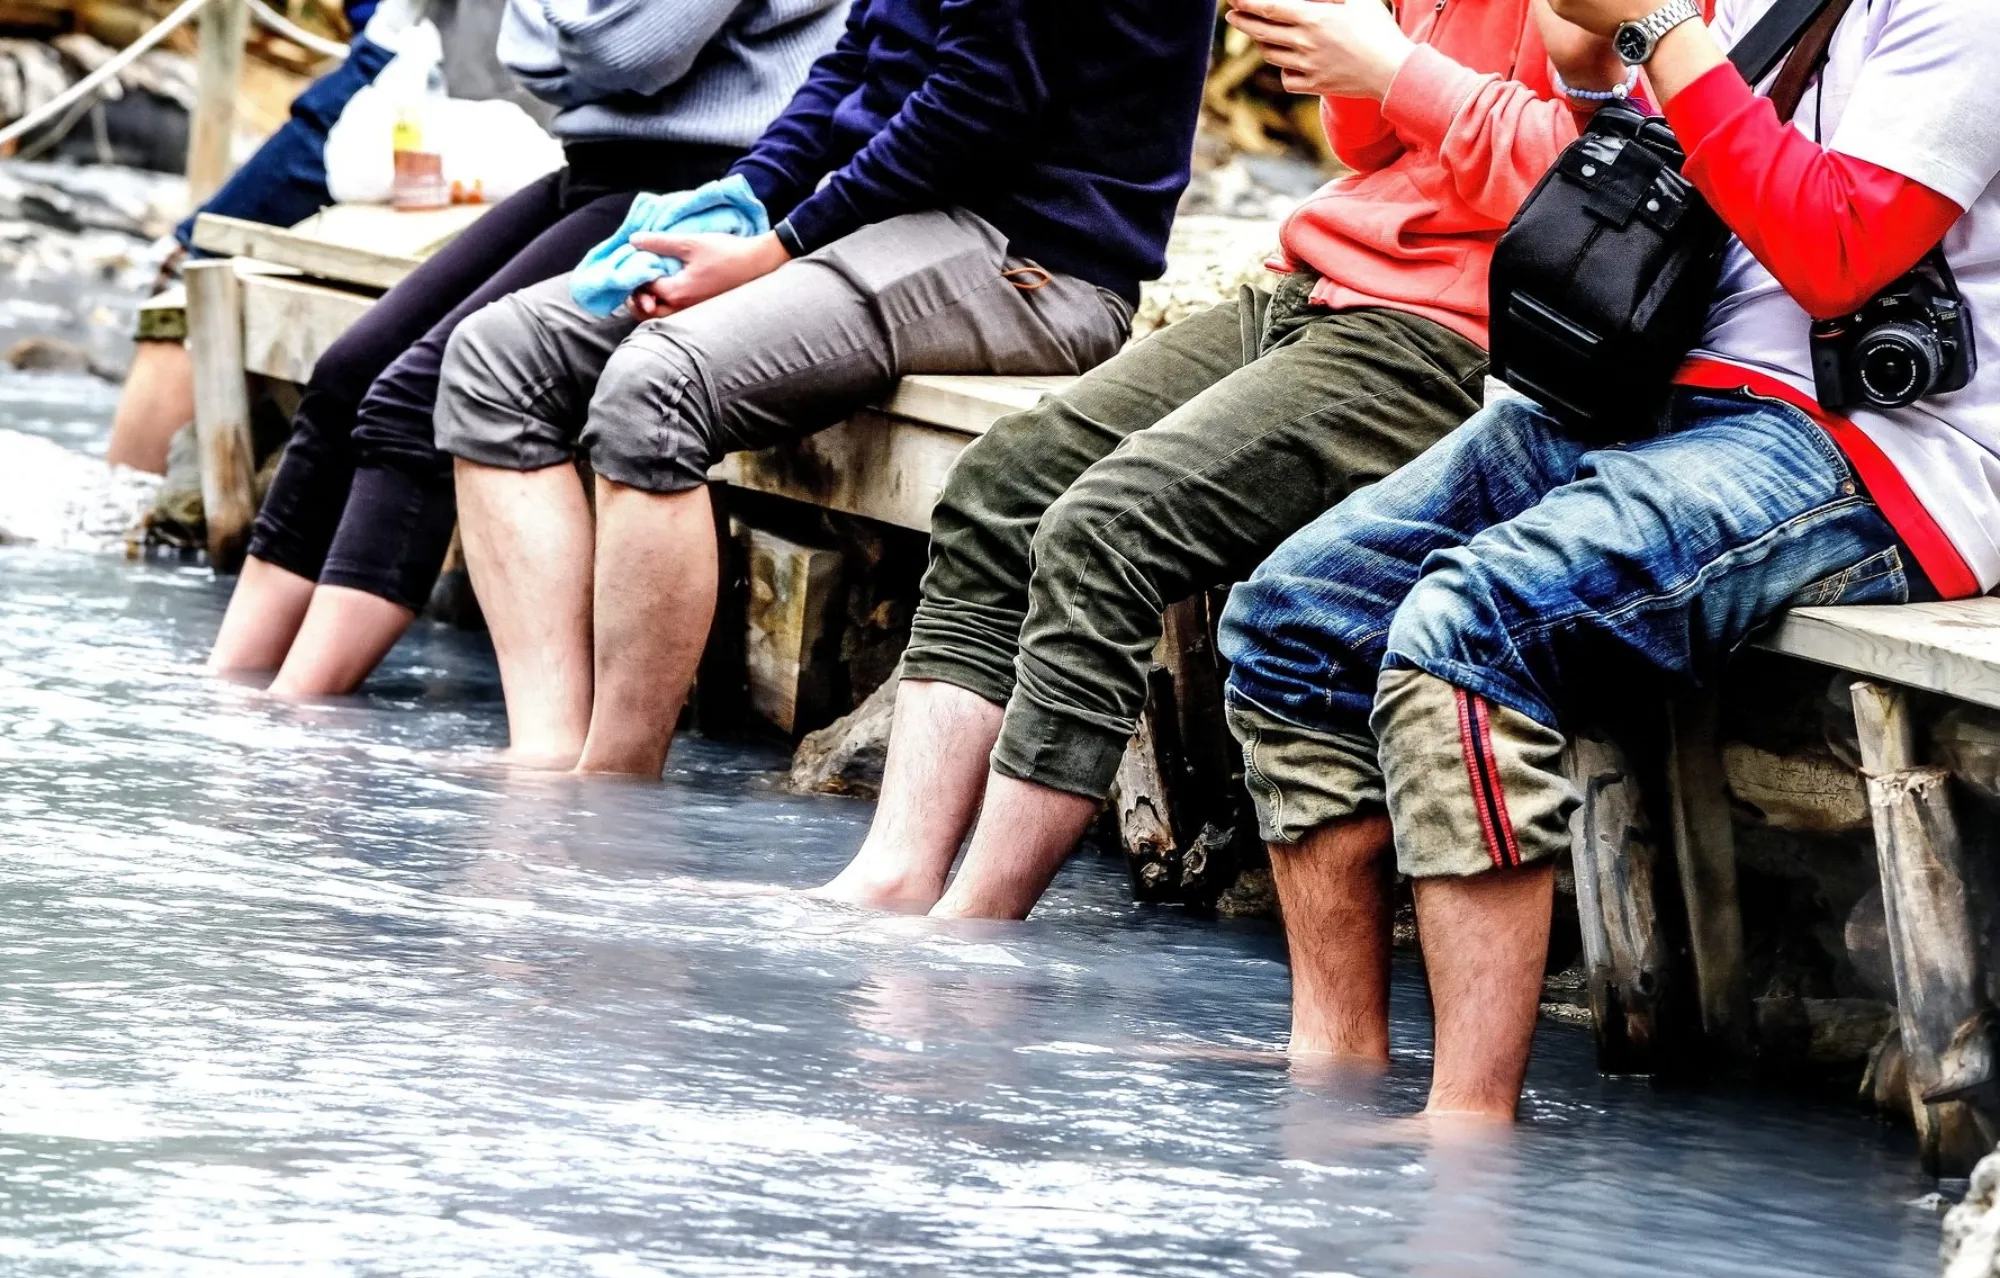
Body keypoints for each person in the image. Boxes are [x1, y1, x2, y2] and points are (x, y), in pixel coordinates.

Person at [1216, 0, 2000, 1119]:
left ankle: (1465, 1125)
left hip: (1871, 448)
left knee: (1465, 627)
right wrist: (1591, 66)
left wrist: (1660, 24)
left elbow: (1837, 254)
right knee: (1293, 617)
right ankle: (1334, 1066)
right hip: (1661, 390)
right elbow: (1671, 168)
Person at [819, 0, 1626, 918]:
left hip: (1466, 333)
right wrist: (1348, 49)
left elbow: (1591, 186)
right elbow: (1369, 148)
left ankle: (976, 931)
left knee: (1106, 531)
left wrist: (1393, 65)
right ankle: (891, 877)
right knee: (1002, 484)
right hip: (1326, 279)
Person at [443, 0, 1218, 775]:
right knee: (502, 355)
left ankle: (610, 784)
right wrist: (750, 197)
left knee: (658, 385)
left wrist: (779, 248)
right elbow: (858, 62)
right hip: (880, 218)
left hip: (1030, 257)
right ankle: (543, 752)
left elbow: (980, 101)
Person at [205, 0, 848, 696]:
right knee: (347, 376)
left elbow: (629, 52)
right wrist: (587, 38)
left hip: (720, 185)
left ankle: (295, 717)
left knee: (412, 395)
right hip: (598, 164)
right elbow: (536, 56)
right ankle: (228, 692)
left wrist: (577, 33)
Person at [105, 0, 399, 474]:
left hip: (404, 100)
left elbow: (385, 64)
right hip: (440, 108)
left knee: (190, 268)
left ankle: (133, 504)